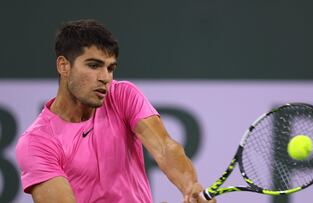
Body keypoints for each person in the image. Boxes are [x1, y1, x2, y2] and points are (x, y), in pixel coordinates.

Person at [15, 19, 215, 203]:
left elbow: (165, 148)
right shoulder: (36, 143)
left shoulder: (122, 95)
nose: (105, 78)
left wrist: (190, 187)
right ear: (63, 65)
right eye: (94, 65)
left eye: (110, 68)